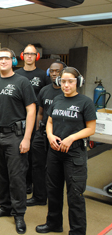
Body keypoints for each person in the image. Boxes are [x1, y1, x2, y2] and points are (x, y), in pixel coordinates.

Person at [0, 48, 36, 234]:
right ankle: (4, 207)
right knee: (0, 174)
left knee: (17, 176)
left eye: (6, 58)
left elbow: (31, 110)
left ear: (12, 60)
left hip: (15, 135)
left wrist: (27, 138)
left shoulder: (22, 82)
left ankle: (19, 214)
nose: (2, 61)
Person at [36, 67, 96, 235]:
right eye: (63, 81)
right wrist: (50, 135)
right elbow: (49, 122)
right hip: (55, 153)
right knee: (53, 190)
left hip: (74, 154)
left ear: (79, 83)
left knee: (75, 195)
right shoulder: (56, 100)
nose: (66, 85)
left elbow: (91, 128)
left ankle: (77, 231)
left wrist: (72, 138)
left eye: (70, 81)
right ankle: (54, 223)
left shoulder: (85, 102)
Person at [27, 61, 65, 207]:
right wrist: (36, 131)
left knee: (54, 168)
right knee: (37, 166)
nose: (55, 74)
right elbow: (40, 113)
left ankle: (54, 198)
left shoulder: (66, 91)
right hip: (41, 134)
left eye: (58, 71)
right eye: (52, 71)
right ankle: (39, 197)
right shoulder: (44, 90)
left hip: (58, 136)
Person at [15, 44, 48, 194]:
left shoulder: (43, 75)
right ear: (22, 56)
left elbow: (47, 97)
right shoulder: (16, 74)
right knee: (18, 151)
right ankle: (21, 180)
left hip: (35, 120)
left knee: (33, 154)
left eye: (32, 54)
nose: (29, 56)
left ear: (36, 57)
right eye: (27, 54)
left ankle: (31, 182)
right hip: (17, 118)